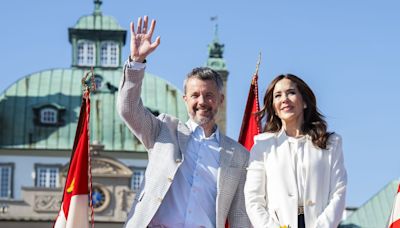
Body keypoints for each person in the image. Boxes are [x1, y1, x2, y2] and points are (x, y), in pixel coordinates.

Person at [117, 16, 250, 228]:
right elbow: (128, 109)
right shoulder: (163, 130)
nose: (202, 102)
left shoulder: (239, 155)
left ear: (220, 100)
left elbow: (240, 215)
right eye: (195, 95)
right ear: (185, 99)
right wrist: (136, 62)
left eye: (209, 95)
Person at [244, 74, 347, 228]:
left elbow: (338, 192)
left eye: (291, 93)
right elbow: (253, 200)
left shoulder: (331, 143)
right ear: (274, 108)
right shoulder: (262, 147)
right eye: (277, 96)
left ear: (304, 102)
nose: (284, 99)